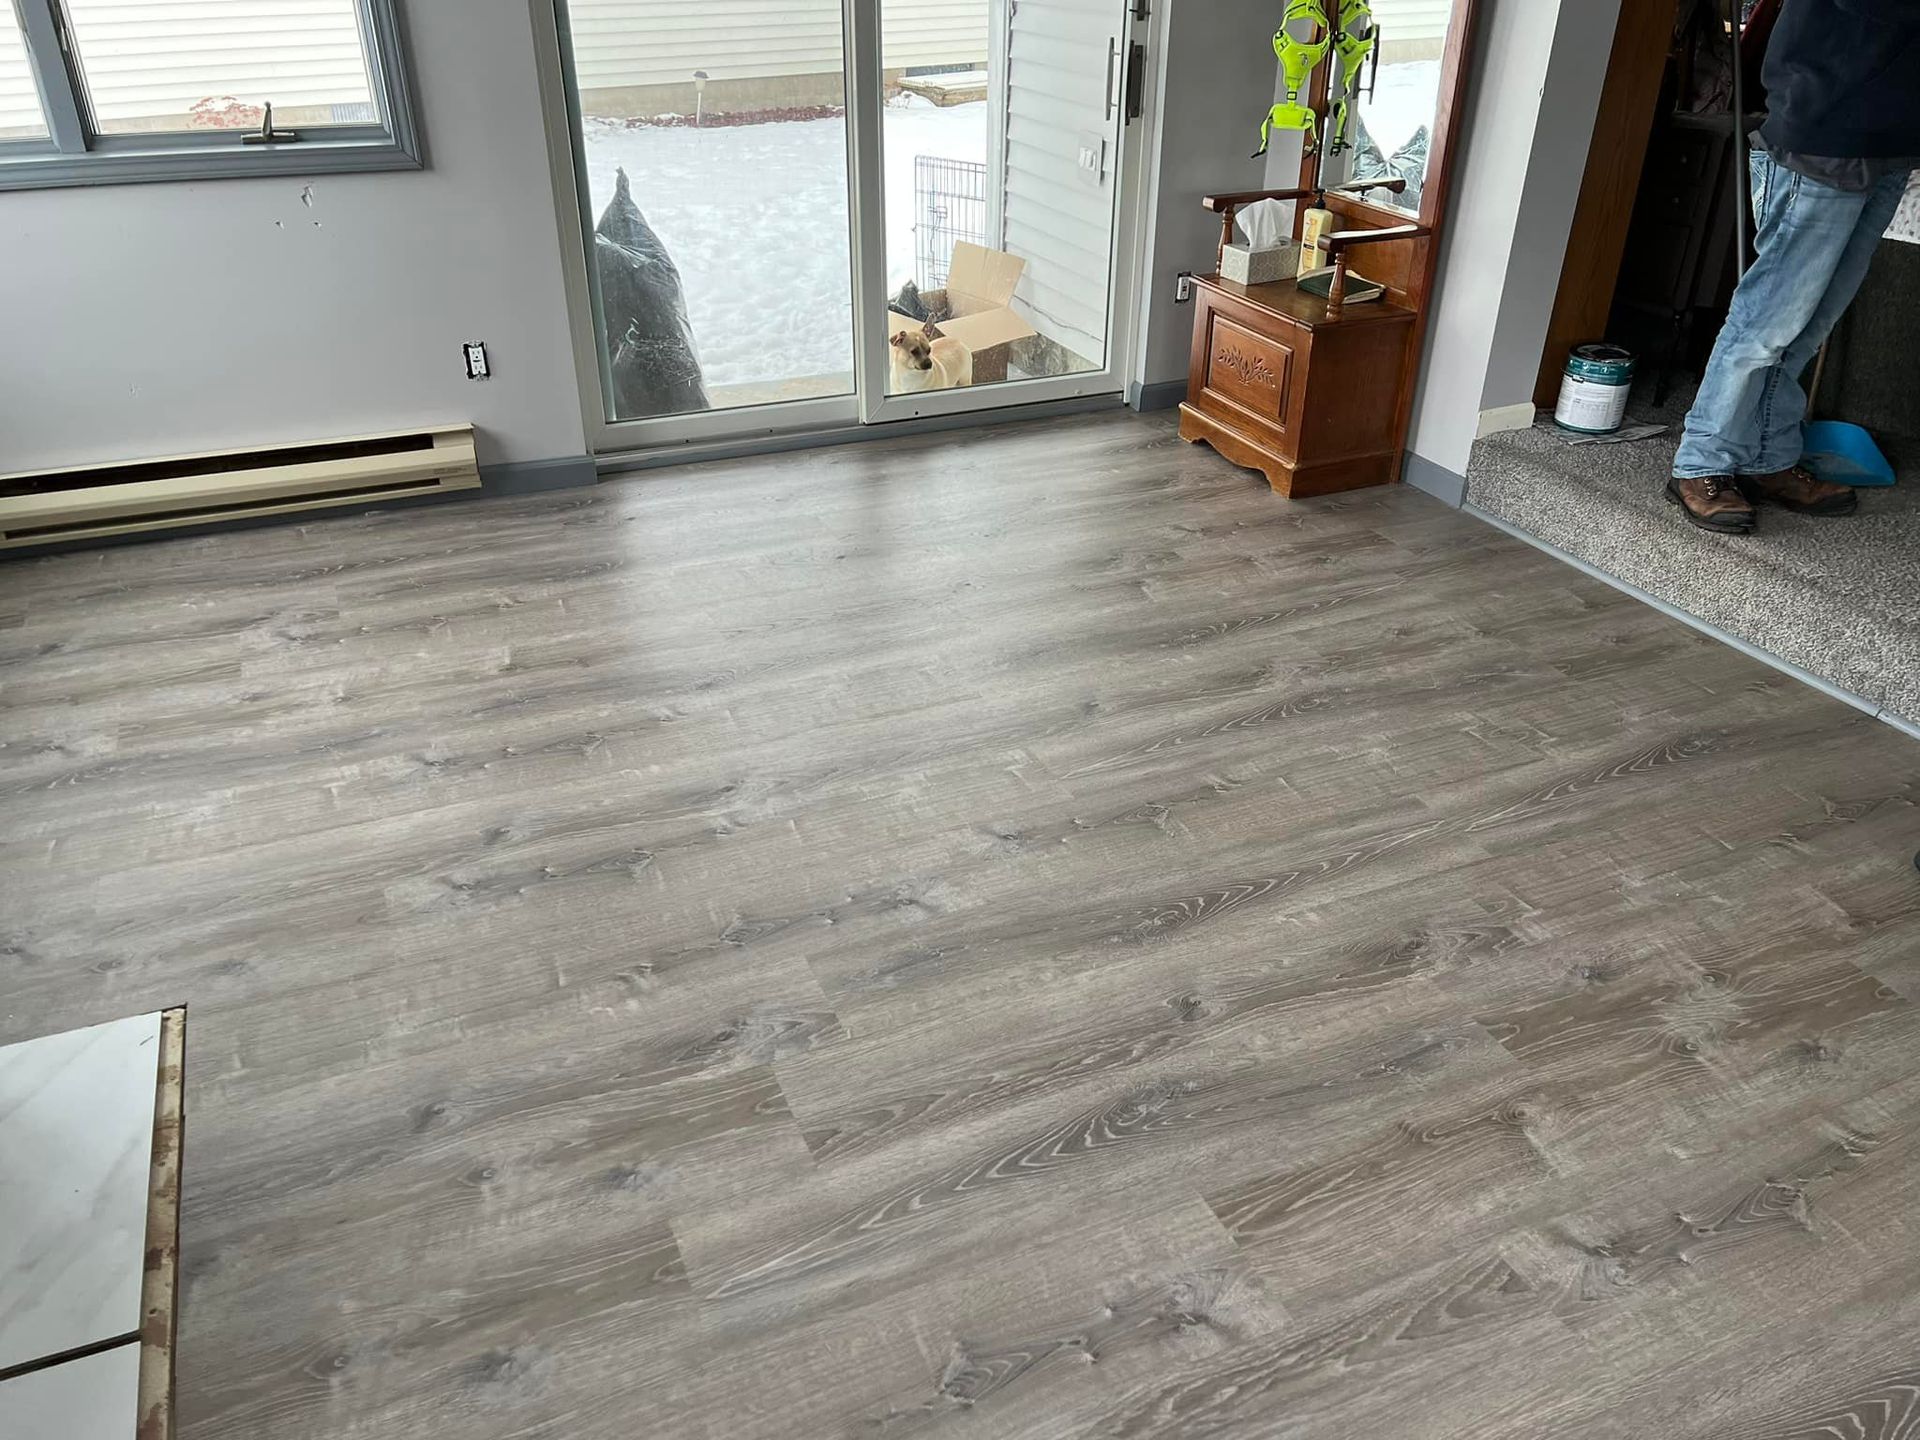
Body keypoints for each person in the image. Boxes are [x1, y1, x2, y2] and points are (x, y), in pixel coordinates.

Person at [1667, 0, 1919, 534]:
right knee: (1768, 323)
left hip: (1892, 143)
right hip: (1825, 132)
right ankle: (1702, 462)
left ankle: (1767, 457)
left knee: (1812, 325)